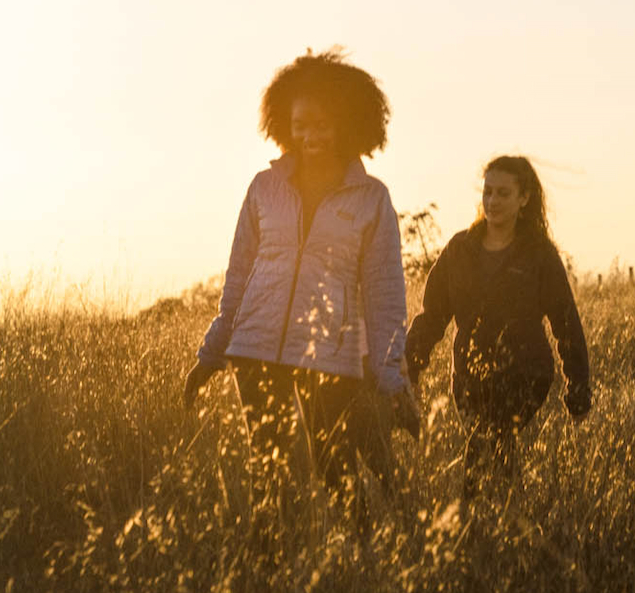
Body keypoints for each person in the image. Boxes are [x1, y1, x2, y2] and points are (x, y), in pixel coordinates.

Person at [181, 48, 417, 530]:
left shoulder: (372, 199)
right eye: (300, 124)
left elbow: (384, 294)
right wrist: (211, 352)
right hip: (255, 351)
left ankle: (363, 562)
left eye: (323, 124)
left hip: (330, 356)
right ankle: (273, 573)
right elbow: (238, 277)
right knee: (270, 477)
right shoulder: (264, 187)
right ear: (283, 123)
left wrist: (392, 378)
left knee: (337, 470)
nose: (310, 135)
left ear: (349, 124)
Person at [406, 155, 592, 485]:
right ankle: (507, 516)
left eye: (503, 193)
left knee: (489, 438)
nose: (492, 201)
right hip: (468, 376)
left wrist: (577, 387)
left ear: (524, 198)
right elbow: (433, 315)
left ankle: (474, 515)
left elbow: (566, 322)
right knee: (491, 443)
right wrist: (411, 365)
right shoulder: (460, 249)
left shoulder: (539, 255)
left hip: (526, 372)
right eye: (487, 192)